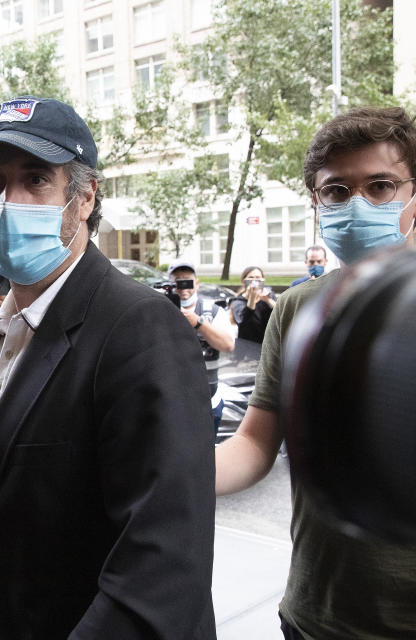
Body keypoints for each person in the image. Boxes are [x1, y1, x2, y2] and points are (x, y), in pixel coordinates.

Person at [0, 96, 215, 639]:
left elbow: (160, 566)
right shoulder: (4, 328)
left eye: (35, 180)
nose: (8, 202)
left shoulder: (139, 328)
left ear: (84, 197)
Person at [215, 106, 416, 639]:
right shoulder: (298, 308)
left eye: (380, 186)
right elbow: (255, 445)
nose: (358, 205)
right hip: (318, 613)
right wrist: (168, 468)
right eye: (336, 191)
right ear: (316, 204)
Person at [169, 260, 236, 435]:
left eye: (188, 281)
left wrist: (198, 323)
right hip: (172, 402)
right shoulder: (162, 309)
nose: (184, 288)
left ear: (197, 284)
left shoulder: (213, 311)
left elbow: (228, 345)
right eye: (178, 282)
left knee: (206, 455)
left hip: (208, 402)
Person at [229, 266, 276, 344]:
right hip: (248, 346)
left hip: (268, 343)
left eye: (258, 278)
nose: (254, 281)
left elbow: (281, 313)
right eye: (251, 278)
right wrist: (252, 298)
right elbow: (243, 321)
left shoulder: (268, 297)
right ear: (244, 281)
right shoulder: (237, 301)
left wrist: (268, 300)